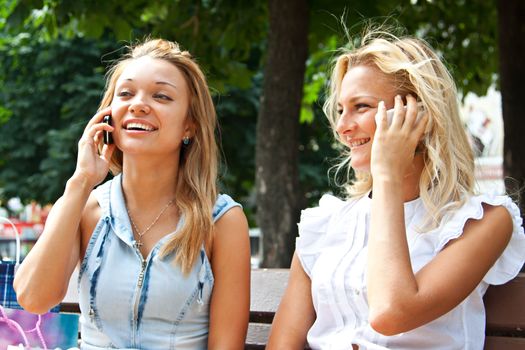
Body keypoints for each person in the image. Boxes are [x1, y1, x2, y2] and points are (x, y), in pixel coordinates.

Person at [267, 28, 525, 350]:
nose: (342, 126)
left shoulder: (482, 221)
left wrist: (387, 176)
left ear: (418, 113)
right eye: (340, 110)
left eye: (361, 106)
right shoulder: (326, 225)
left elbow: (391, 313)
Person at [14, 38, 251, 349]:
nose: (138, 104)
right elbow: (33, 299)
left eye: (162, 96)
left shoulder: (222, 221)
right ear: (108, 116)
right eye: (125, 94)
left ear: (189, 127)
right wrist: (81, 180)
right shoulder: (85, 207)